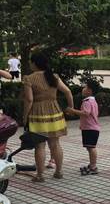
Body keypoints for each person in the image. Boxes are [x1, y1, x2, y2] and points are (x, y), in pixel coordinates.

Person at [23, 53, 74, 182]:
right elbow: (68, 91)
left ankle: (40, 175)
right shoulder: (53, 76)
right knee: (55, 144)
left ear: (35, 63)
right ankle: (59, 172)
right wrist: (70, 107)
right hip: (54, 112)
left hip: (37, 114)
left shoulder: (29, 79)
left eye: (31, 62)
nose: (30, 64)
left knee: (40, 146)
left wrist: (25, 117)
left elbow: (29, 100)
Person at [67, 80, 101, 175]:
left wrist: (73, 111)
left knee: (91, 148)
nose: (83, 89)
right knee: (90, 147)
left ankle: (93, 167)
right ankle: (92, 165)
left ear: (90, 90)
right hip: (90, 128)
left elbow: (86, 113)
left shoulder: (87, 101)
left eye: (85, 87)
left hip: (90, 128)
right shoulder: (93, 100)